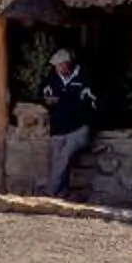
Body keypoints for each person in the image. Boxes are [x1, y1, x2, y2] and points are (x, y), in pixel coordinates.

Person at [43, 48, 99, 196]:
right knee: (57, 159)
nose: (58, 68)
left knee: (64, 155)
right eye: (56, 66)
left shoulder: (85, 78)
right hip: (59, 128)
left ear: (68, 64)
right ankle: (61, 194)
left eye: (61, 65)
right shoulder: (52, 79)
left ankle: (49, 193)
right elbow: (45, 96)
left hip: (79, 128)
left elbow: (94, 103)